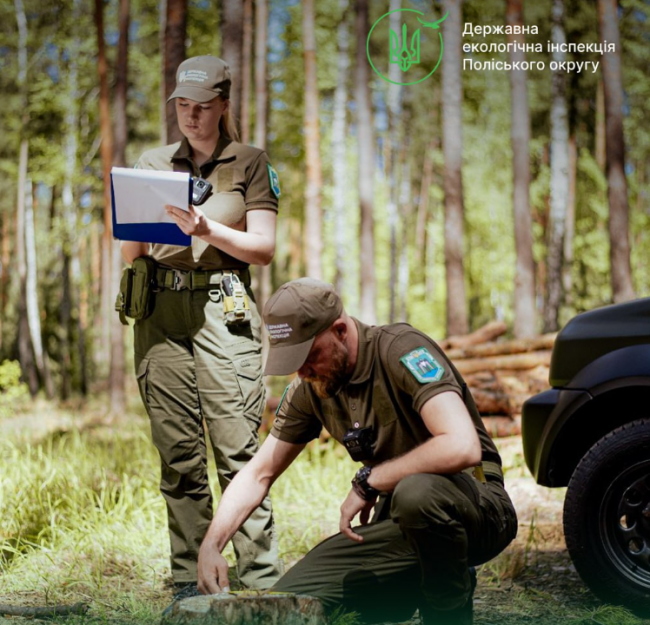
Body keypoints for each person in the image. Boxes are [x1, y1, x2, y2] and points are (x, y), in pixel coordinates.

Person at [195, 278, 518, 625]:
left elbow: (462, 445)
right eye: (293, 361)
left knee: (415, 493)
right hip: (400, 520)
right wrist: (212, 545)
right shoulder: (311, 385)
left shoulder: (400, 350)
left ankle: (448, 611)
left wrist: (371, 480)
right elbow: (259, 473)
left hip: (478, 507)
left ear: (340, 330)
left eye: (309, 356)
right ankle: (413, 585)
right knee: (291, 601)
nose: (303, 371)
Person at [120, 55, 281, 606]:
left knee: (239, 452)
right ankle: (192, 588)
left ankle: (260, 585)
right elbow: (132, 250)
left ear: (224, 105)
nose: (191, 117)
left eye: (202, 107)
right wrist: (130, 220)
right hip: (160, 313)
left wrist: (206, 227)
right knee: (179, 457)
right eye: (183, 107)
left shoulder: (250, 162)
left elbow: (262, 248)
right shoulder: (152, 161)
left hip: (223, 309)